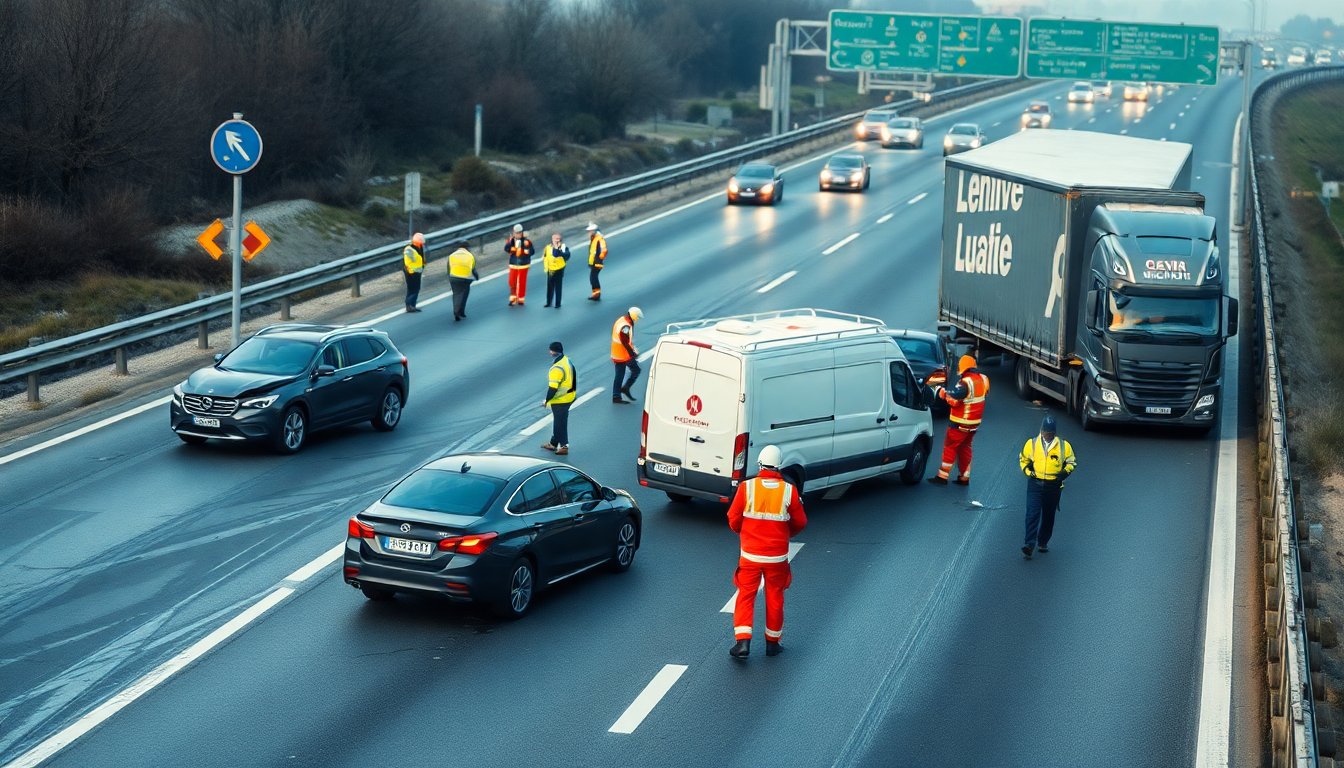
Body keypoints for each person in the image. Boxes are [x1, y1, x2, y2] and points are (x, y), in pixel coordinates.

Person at [727, 445, 806, 659]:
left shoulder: (747, 488)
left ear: (760, 464)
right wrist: (785, 534)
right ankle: (772, 643)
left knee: (745, 595)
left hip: (751, 556)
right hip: (777, 557)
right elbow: (800, 522)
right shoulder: (789, 490)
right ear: (779, 467)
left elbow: (733, 518)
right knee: (775, 597)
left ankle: (743, 643)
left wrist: (742, 532)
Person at [1018, 414, 1077, 560]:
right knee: (1032, 513)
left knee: (1048, 516)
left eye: (1050, 433)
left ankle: (1043, 541)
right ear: (1041, 430)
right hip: (1035, 484)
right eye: (1045, 432)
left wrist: (1064, 473)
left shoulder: (1064, 446)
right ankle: (1029, 544)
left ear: (1054, 433)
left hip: (1053, 486)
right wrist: (1028, 471)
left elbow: (1072, 462)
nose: (1047, 435)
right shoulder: (1031, 444)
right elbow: (1023, 459)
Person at [927, 354, 989, 485]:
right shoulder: (983, 379)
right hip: (974, 425)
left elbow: (954, 401)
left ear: (963, 368)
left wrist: (941, 392)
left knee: (950, 447)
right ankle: (964, 477)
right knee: (965, 448)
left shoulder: (965, 383)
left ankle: (942, 477)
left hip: (960, 423)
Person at [542, 341, 576, 456]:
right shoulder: (566, 360)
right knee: (559, 420)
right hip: (570, 395)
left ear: (552, 351)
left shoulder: (556, 369)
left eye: (550, 350)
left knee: (559, 423)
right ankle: (553, 443)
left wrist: (546, 401)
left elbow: (552, 388)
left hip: (561, 399)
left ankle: (564, 446)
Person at [611, 306, 643, 404]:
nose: (638, 319)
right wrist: (632, 353)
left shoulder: (623, 319)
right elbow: (624, 341)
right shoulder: (626, 326)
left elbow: (626, 341)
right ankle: (624, 389)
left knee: (619, 375)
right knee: (636, 370)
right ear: (634, 316)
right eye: (637, 317)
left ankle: (617, 395)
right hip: (622, 354)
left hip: (617, 352)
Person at [447, 240, 478, 321]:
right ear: (467, 248)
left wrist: (450, 280)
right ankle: (461, 312)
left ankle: (456, 311)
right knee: (464, 293)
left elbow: (448, 269)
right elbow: (473, 270)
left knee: (456, 294)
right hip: (465, 278)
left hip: (453, 278)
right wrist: (477, 277)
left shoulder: (451, 256)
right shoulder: (470, 256)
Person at [505, 224, 534, 306]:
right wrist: (512, 249)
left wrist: (526, 251)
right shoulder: (511, 241)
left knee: (521, 282)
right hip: (513, 264)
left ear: (522, 233)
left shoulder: (526, 242)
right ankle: (513, 298)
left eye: (519, 233)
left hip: (523, 264)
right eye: (516, 233)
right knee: (511, 281)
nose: (517, 234)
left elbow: (532, 251)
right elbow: (506, 248)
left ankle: (521, 298)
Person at [542, 232, 571, 308]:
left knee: (558, 287)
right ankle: (549, 302)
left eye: (558, 239)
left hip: (559, 269)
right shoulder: (547, 247)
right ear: (552, 239)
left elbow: (567, 256)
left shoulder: (563, 247)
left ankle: (558, 303)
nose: (556, 240)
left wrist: (560, 251)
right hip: (551, 270)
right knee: (549, 287)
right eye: (555, 239)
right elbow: (545, 258)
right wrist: (546, 268)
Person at [402, 232, 425, 313]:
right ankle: (409, 305)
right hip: (411, 272)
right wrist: (411, 271)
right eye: (421, 242)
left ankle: (412, 305)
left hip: (417, 271)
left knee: (416, 288)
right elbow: (407, 262)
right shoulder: (409, 249)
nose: (422, 244)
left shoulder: (418, 247)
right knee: (412, 288)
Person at [586, 222, 607, 301]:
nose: (589, 232)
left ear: (594, 231)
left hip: (597, 262)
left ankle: (596, 295)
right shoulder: (594, 238)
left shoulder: (599, 239)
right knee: (593, 278)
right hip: (593, 262)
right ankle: (596, 294)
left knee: (593, 278)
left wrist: (599, 259)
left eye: (590, 231)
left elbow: (604, 250)